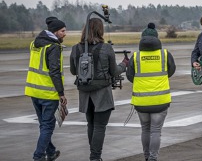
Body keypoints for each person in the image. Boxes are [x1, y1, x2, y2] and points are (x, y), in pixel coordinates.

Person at [69, 17, 128, 161]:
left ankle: (94, 155)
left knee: (91, 124)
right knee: (100, 126)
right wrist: (124, 64)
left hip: (85, 93)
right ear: (100, 30)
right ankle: (95, 157)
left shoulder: (76, 48)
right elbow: (114, 72)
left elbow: (72, 71)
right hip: (102, 93)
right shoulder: (106, 48)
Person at [126, 23, 176, 161]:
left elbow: (130, 77)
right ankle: (153, 158)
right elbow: (170, 71)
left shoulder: (136, 57)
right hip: (160, 101)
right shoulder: (165, 54)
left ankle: (146, 157)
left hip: (141, 101)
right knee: (156, 131)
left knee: (145, 129)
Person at [25, 17, 67, 161]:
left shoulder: (34, 44)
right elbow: (54, 72)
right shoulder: (53, 47)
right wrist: (61, 93)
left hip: (33, 91)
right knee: (48, 127)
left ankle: (51, 152)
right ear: (55, 32)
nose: (65, 34)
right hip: (48, 93)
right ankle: (38, 156)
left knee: (43, 125)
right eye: (62, 31)